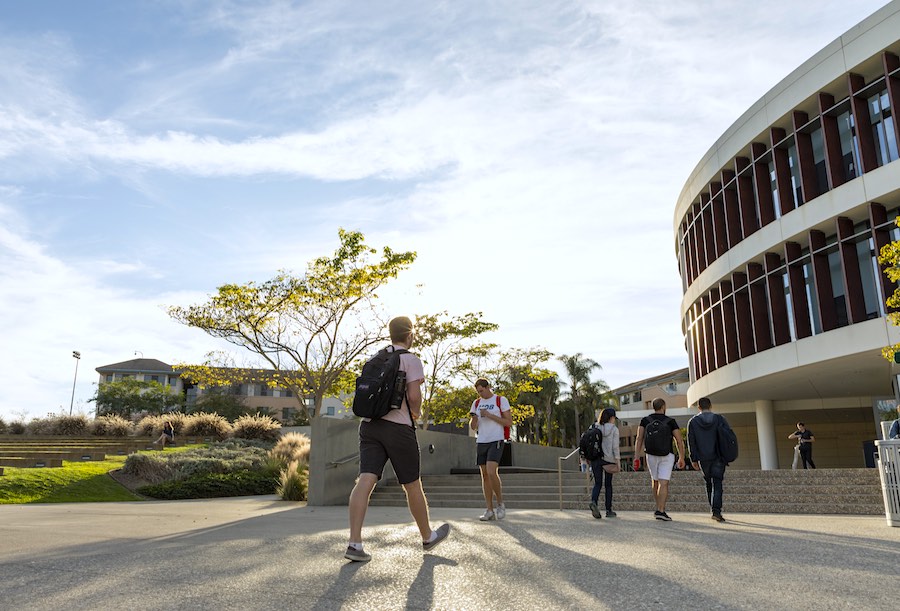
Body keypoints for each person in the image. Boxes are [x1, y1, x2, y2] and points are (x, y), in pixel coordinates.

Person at [345, 316, 450, 562]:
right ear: (410, 335)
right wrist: (417, 411)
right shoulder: (410, 359)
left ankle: (355, 543)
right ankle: (427, 536)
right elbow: (413, 396)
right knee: (412, 484)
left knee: (365, 480)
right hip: (398, 428)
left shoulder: (376, 358)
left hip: (369, 426)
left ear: (391, 334)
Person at [633, 398, 685, 521]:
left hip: (650, 454)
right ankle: (661, 510)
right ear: (663, 406)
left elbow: (639, 438)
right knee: (664, 482)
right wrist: (681, 456)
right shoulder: (670, 421)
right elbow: (679, 440)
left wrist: (636, 457)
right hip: (667, 455)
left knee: (655, 481)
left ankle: (658, 507)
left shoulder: (645, 420)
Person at [469, 378, 512, 521]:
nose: (480, 394)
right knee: (485, 476)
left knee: (492, 472)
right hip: (481, 441)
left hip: (497, 439)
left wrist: (490, 415)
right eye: (478, 392)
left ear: (488, 387)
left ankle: (500, 504)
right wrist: (474, 419)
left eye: (482, 390)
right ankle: (489, 510)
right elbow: (473, 427)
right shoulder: (476, 403)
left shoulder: (500, 400)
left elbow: (508, 422)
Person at [687, 396, 732, 523]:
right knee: (717, 483)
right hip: (718, 456)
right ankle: (716, 511)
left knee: (708, 482)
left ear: (699, 407)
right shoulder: (719, 419)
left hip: (703, 458)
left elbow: (691, 441)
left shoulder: (693, 422)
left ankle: (713, 509)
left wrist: (693, 458)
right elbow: (727, 436)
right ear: (710, 406)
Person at [587, 407, 620, 519]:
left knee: (597, 483)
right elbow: (615, 447)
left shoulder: (594, 426)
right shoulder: (614, 429)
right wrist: (618, 461)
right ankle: (608, 510)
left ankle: (594, 502)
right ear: (611, 417)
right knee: (608, 485)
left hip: (596, 458)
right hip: (608, 459)